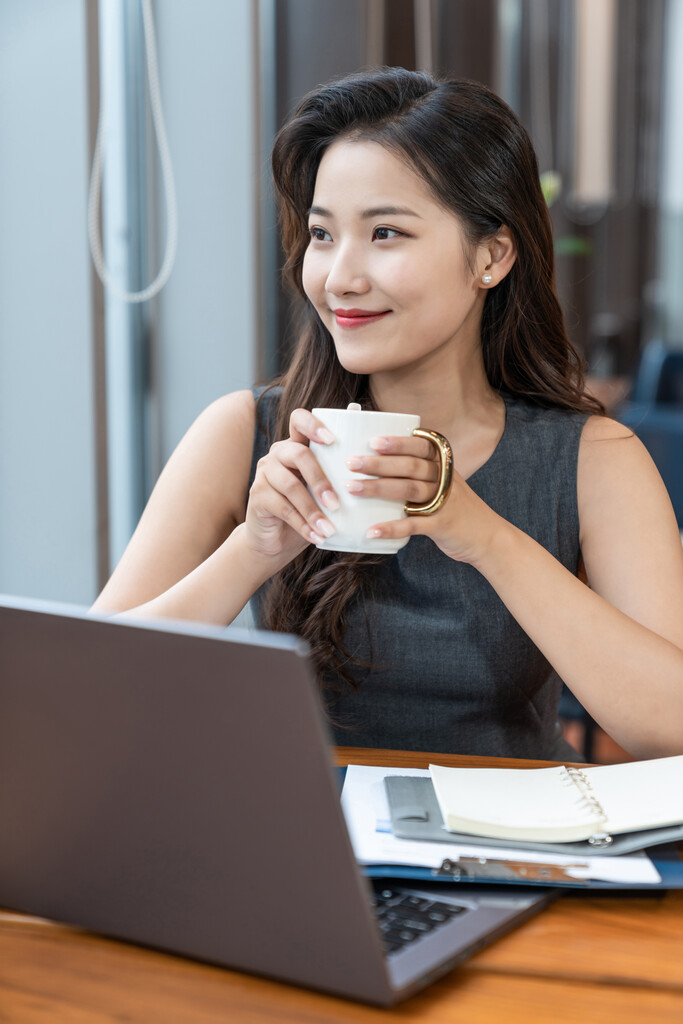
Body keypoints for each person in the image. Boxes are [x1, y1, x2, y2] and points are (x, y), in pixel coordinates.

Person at [92, 68, 683, 761]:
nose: (339, 275)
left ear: (490, 256)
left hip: (508, 854)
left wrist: (482, 536)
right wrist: (254, 550)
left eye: (385, 234)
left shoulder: (591, 457)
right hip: (298, 845)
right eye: (321, 234)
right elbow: (89, 691)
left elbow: (670, 727)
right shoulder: (241, 432)